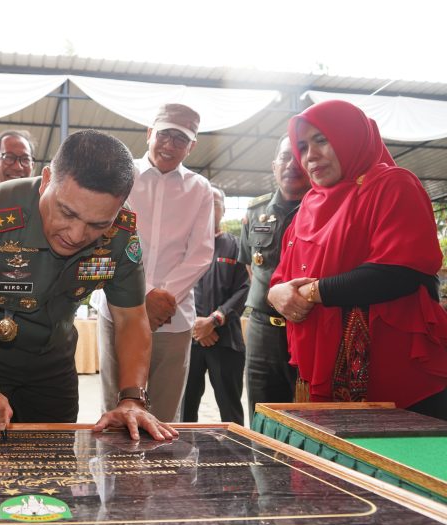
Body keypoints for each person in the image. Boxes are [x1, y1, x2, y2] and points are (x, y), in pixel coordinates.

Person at [0, 129, 178, 442]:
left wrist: (132, 398)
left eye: (98, 224)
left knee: (54, 464)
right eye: (67, 212)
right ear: (47, 179)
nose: (77, 235)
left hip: (53, 361)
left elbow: (131, 318)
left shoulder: (121, 232)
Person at [268, 99, 447, 420]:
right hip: (320, 366)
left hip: (396, 370)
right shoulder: (308, 205)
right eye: (303, 146)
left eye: (322, 140)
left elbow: (398, 271)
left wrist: (311, 293)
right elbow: (282, 276)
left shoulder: (391, 185)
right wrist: (276, 293)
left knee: (405, 465)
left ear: (350, 136)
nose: (311, 156)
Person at [92, 103, 214, 422]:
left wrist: (163, 298)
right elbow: (104, 236)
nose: (170, 145)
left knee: (163, 414)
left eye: (180, 139)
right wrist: (141, 295)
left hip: (172, 320)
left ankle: (161, 475)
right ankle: (114, 473)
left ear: (192, 146)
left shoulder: (200, 189)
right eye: (164, 135)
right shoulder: (118, 174)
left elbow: (201, 252)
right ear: (149, 134)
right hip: (117, 310)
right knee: (115, 408)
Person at [238, 135, 310, 422]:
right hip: (262, 330)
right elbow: (251, 267)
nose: (291, 164)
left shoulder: (325, 209)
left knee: (309, 417)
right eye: (284, 157)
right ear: (274, 165)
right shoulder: (256, 211)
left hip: (308, 326)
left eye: (299, 156)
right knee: (263, 414)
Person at [182, 187, 250, 424]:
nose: (210, 207)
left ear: (224, 209)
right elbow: (173, 288)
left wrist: (214, 320)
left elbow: (245, 288)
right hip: (187, 341)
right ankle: (182, 458)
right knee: (183, 409)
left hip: (225, 340)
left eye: (216, 203)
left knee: (230, 411)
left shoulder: (238, 247)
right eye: (204, 202)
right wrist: (194, 325)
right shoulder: (183, 246)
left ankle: (236, 458)